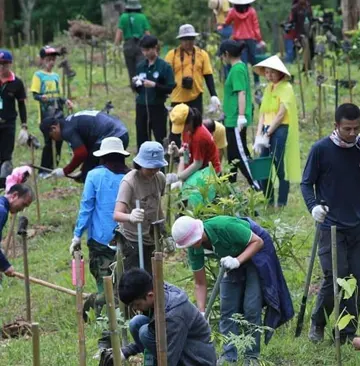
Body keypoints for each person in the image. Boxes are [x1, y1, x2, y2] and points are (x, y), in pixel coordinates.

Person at [301, 103, 360, 342]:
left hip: (357, 227)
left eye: (356, 128)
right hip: (330, 227)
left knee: (356, 281)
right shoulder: (320, 150)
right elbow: (305, 183)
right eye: (347, 129)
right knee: (336, 277)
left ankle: (346, 332)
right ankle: (318, 323)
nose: (352, 133)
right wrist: (313, 207)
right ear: (336, 126)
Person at [171, 215, 294, 365]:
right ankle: (228, 356)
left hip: (256, 250)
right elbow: (200, 283)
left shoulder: (224, 226)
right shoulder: (194, 248)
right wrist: (202, 311)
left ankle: (251, 356)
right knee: (227, 308)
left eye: (195, 240)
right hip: (231, 258)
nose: (194, 244)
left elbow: (258, 242)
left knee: (251, 307)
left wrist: (237, 261)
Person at [71, 137, 130, 306]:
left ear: (102, 157)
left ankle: (104, 321)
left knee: (104, 286)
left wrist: (77, 236)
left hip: (100, 241)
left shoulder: (94, 175)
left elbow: (86, 207)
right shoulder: (131, 176)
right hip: (127, 239)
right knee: (125, 283)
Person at [117, 268, 217, 365]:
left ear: (150, 295)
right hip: (179, 348)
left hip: (196, 360)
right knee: (136, 323)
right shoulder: (157, 291)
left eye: (137, 304)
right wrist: (126, 351)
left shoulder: (174, 315)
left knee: (145, 332)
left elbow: (170, 357)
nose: (136, 309)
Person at [252, 55, 301, 207]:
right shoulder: (268, 88)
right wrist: (259, 134)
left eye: (272, 72)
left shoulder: (286, 88)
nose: (269, 75)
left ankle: (282, 201)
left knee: (278, 163)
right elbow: (262, 113)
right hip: (266, 128)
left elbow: (280, 114)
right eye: (267, 72)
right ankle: (268, 199)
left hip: (280, 128)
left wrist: (268, 133)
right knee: (262, 164)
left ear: (280, 73)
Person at [113, 141, 166, 274]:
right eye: (150, 167)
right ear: (140, 164)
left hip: (152, 237)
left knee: (153, 278)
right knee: (136, 281)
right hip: (133, 240)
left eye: (157, 167)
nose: (154, 171)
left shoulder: (160, 178)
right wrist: (130, 216)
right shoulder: (129, 182)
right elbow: (117, 214)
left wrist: (165, 232)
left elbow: (158, 207)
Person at [165, 24, 221, 145]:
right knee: (175, 129)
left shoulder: (202, 54)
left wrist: (213, 95)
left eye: (190, 39)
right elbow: (166, 75)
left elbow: (208, 75)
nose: (188, 42)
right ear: (180, 40)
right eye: (185, 39)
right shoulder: (172, 55)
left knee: (196, 128)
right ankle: (175, 155)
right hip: (177, 98)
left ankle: (195, 152)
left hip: (195, 96)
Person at [40, 110, 129, 182]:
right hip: (121, 132)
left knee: (93, 175)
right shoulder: (68, 122)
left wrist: (65, 171)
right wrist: (83, 169)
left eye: (51, 136)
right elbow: (87, 151)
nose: (54, 139)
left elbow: (81, 153)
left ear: (54, 128)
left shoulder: (67, 130)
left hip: (114, 135)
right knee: (94, 172)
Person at [218, 40, 258, 189]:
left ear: (226, 54)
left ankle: (257, 185)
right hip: (230, 119)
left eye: (222, 56)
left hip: (236, 120)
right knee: (233, 156)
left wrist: (241, 116)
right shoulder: (237, 68)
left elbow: (241, 92)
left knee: (241, 155)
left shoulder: (237, 70)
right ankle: (229, 189)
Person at [167, 103, 222, 207]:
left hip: (208, 173)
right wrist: (178, 152)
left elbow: (197, 164)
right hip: (196, 172)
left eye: (182, 126)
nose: (181, 130)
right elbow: (186, 151)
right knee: (183, 201)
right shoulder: (187, 130)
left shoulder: (200, 137)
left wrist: (178, 177)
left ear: (189, 121)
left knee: (199, 207)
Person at [30, 46, 73, 176]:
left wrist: (66, 101)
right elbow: (35, 94)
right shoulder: (38, 75)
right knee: (49, 143)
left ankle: (54, 168)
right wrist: (41, 97)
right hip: (46, 116)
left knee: (59, 140)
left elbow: (59, 95)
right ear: (42, 60)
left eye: (53, 59)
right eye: (49, 59)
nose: (51, 62)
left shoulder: (55, 76)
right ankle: (43, 170)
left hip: (58, 114)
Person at [133, 35, 175, 150]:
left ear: (155, 48)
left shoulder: (165, 67)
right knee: (142, 136)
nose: (145, 53)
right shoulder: (140, 66)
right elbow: (137, 88)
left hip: (157, 106)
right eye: (143, 50)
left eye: (147, 50)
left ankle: (161, 165)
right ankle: (141, 166)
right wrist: (136, 84)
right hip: (141, 106)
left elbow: (170, 87)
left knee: (160, 137)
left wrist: (154, 85)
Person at [0, 50, 27, 187]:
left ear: (10, 64)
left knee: (6, 155)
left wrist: (24, 125)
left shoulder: (17, 83)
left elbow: (21, 105)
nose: (1, 67)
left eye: (4, 64)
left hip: (8, 123)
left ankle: (4, 184)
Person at [225, 0, 265, 86]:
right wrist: (259, 39)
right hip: (251, 39)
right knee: (254, 61)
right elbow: (256, 26)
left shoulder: (232, 11)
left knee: (243, 62)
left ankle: (245, 82)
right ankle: (257, 81)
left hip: (238, 40)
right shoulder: (252, 11)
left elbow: (227, 22)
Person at [0, 184, 33, 279]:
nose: (22, 209)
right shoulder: (1, 212)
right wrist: (5, 266)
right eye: (23, 204)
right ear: (14, 195)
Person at [115, 0, 151, 86]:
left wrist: (116, 45)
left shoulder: (123, 17)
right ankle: (141, 84)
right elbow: (147, 33)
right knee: (141, 65)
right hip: (140, 44)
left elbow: (119, 32)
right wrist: (151, 44)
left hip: (128, 44)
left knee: (130, 66)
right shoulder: (142, 17)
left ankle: (133, 85)